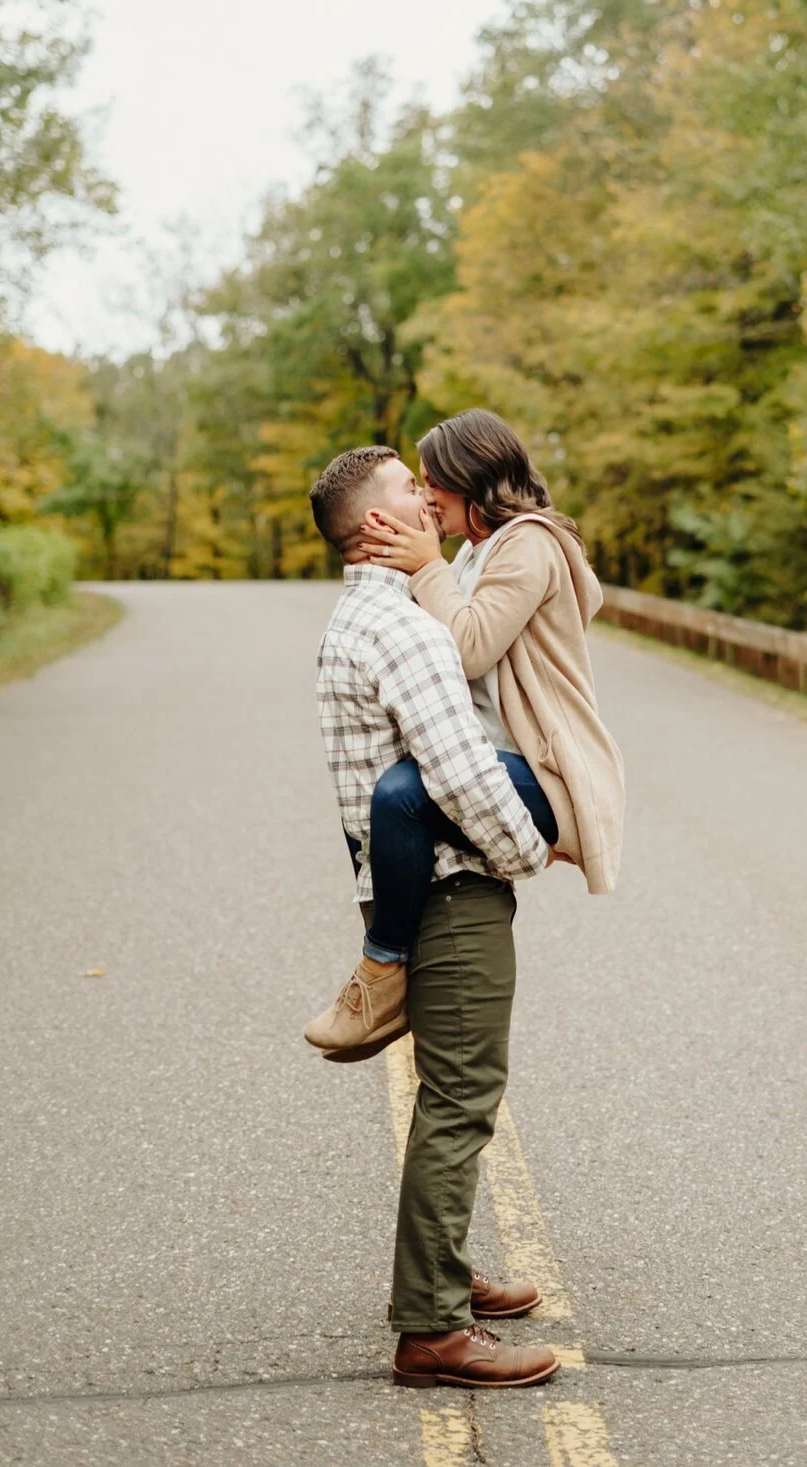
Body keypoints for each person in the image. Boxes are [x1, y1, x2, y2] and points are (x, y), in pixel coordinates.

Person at [298, 444, 560, 1390]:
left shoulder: (357, 616)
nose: (430, 499)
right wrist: (536, 848)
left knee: (445, 1091)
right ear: (375, 524)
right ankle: (433, 1331)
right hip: (454, 885)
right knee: (460, 1098)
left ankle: (440, 1273)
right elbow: (458, 772)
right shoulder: (407, 631)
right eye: (412, 489)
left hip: (412, 884)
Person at [318, 408, 627, 1059]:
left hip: (545, 770)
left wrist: (428, 564)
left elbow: (468, 648)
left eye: (435, 481)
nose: (427, 495)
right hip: (503, 758)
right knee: (397, 790)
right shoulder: (474, 550)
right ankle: (401, 960)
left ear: (472, 479)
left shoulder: (529, 543)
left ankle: (382, 971)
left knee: (402, 793)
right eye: (418, 483)